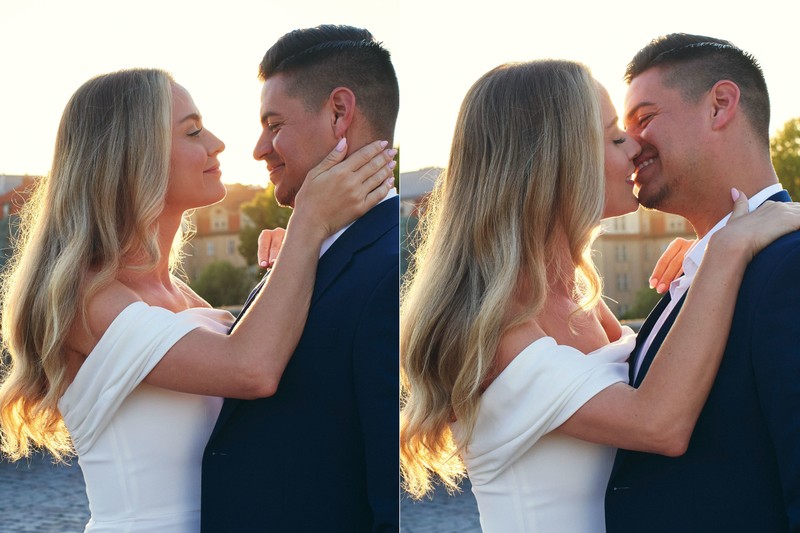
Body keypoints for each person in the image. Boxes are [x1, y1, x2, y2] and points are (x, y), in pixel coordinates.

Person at [399, 59, 800, 532]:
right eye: (614, 138)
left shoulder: (580, 303)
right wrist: (725, 251)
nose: (635, 147)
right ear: (556, 161)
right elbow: (658, 422)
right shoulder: (494, 324)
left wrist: (702, 265)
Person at [0, 68, 394, 532]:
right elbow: (251, 368)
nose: (218, 143)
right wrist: (308, 226)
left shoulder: (183, 297)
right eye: (192, 131)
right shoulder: (86, 300)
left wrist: (290, 262)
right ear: (133, 156)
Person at [201, 25, 400, 532]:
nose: (258, 148)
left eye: (273, 124)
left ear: (339, 112)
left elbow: (390, 489)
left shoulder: (391, 271)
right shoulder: (303, 248)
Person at [604, 33, 800, 532]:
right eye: (622, 131)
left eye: (645, 119)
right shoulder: (695, 267)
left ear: (719, 106)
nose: (632, 144)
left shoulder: (789, 265)